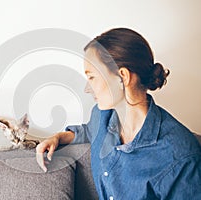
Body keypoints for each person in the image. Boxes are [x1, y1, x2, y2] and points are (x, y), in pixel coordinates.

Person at [36, 28, 201, 199]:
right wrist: (57, 138)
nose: (87, 88)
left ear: (123, 77)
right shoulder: (102, 116)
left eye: (92, 77)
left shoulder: (181, 156)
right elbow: (88, 131)